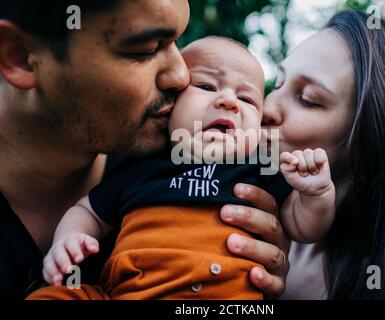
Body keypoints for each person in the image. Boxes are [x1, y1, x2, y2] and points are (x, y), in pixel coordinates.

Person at [0, 1, 289, 300]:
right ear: (22, 57)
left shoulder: (185, 150)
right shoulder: (131, 179)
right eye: (146, 49)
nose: (182, 76)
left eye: (177, 41)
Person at [27, 36, 335, 300]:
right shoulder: (142, 164)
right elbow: (89, 212)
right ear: (169, 107)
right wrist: (67, 239)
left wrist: (316, 194)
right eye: (205, 85)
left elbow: (303, 227)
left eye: (247, 99)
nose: (229, 101)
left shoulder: (259, 167)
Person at [263, 10, 385, 299]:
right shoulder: (256, 211)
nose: (266, 107)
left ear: (374, 132)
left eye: (307, 99)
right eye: (278, 84)